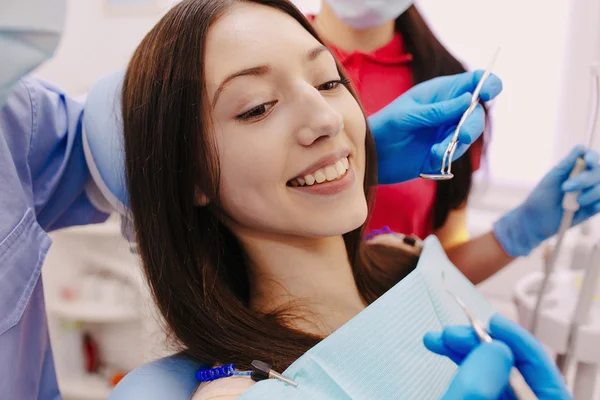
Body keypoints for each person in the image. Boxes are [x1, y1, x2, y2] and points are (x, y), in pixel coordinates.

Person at [0, 0, 593, 399]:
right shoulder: (243, 388)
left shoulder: (407, 258)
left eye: (329, 80)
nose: (325, 118)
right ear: (191, 178)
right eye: (256, 107)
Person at [310, 1, 507, 284]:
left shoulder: (445, 84)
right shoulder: (267, 55)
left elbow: (445, 263)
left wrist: (519, 232)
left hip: (398, 318)